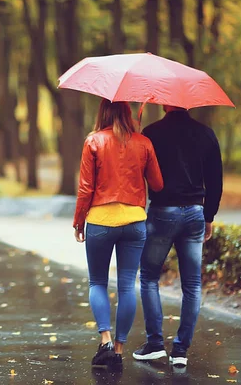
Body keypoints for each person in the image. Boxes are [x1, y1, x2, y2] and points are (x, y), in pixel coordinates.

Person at [73, 99, 163, 368]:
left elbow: (86, 188)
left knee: (97, 282)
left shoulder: (93, 141)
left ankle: (106, 341)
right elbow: (157, 184)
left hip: (100, 221)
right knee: (126, 285)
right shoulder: (143, 142)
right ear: (127, 114)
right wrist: (143, 151)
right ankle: (120, 349)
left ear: (102, 112)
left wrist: (79, 222)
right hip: (135, 222)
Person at [133, 105, 223, 368]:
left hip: (162, 212)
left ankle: (155, 344)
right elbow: (215, 180)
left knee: (149, 277)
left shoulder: (151, 133)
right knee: (192, 285)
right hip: (195, 214)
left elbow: (141, 173)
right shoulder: (206, 134)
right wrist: (209, 216)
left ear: (164, 104)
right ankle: (181, 350)